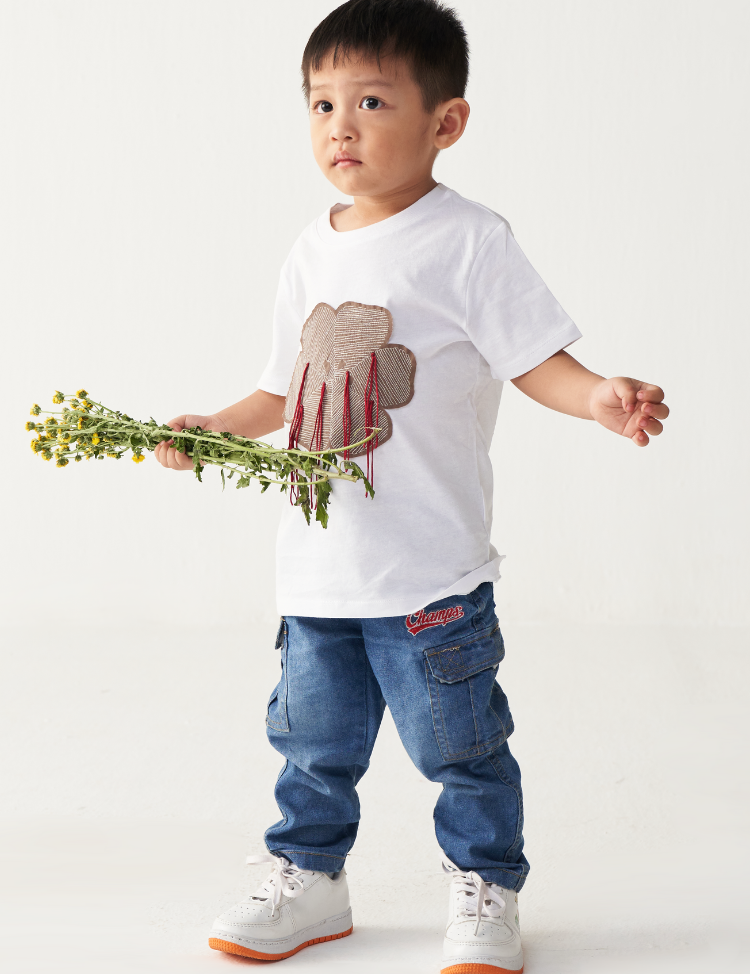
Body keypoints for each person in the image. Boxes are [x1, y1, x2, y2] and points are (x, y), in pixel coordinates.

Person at [154, 2, 669, 971]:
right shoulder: (310, 249)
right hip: (319, 570)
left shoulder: (469, 239)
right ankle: (311, 876)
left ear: (447, 122)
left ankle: (488, 885)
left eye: (371, 99)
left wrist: (597, 393)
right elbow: (283, 389)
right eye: (319, 103)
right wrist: (217, 429)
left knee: (462, 746)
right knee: (310, 743)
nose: (338, 126)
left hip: (429, 572)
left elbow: (534, 358)